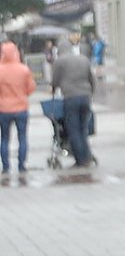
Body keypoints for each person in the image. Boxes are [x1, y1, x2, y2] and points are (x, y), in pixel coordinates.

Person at [49, 36, 95, 166]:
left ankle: (80, 160)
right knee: (83, 129)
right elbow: (91, 79)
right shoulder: (83, 59)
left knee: (73, 130)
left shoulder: (60, 62)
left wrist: (53, 89)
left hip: (70, 97)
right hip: (85, 97)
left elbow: (55, 80)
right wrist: (91, 93)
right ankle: (87, 157)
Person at [0, 41, 37, 174]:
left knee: (4, 138)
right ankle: (21, 165)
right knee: (22, 137)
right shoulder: (23, 69)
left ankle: (5, 166)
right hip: (21, 108)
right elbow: (31, 88)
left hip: (3, 109)